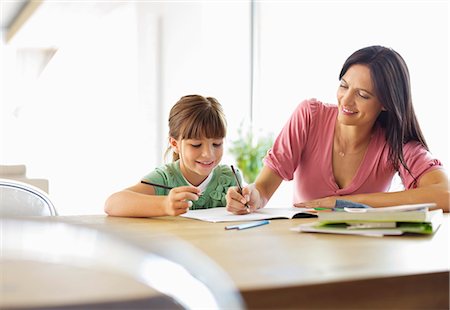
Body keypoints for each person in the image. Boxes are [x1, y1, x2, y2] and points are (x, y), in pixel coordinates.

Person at [226, 45, 449, 214]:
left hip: (366, 254)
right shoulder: (310, 116)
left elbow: (445, 195)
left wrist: (346, 204)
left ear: (386, 103)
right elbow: (263, 189)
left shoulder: (396, 144)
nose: (346, 101)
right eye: (344, 86)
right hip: (305, 253)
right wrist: (251, 196)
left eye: (363, 95)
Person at [105, 94, 242, 217]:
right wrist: (164, 205)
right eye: (196, 145)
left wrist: (243, 204)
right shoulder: (164, 178)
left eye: (217, 144)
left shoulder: (229, 177)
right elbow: (112, 204)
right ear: (175, 144)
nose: (208, 154)